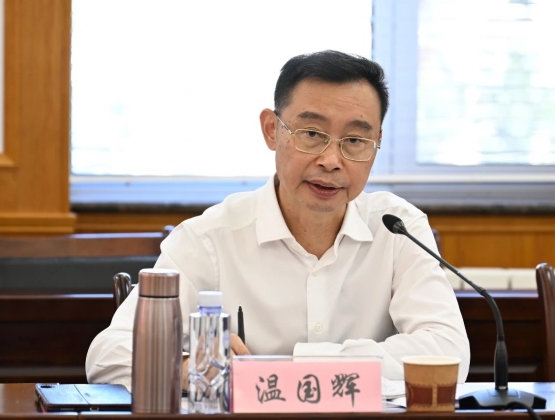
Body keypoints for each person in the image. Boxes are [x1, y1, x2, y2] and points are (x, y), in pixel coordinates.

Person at [86, 50, 470, 391]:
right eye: (312, 134)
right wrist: (188, 366)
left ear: (376, 143)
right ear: (272, 130)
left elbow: (448, 352)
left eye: (354, 140)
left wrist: (291, 368)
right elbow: (108, 355)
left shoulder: (398, 228)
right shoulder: (208, 240)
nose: (331, 161)